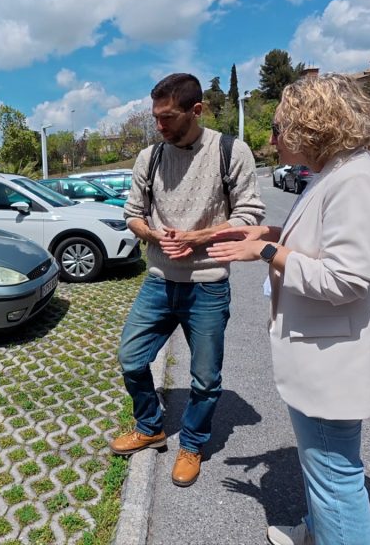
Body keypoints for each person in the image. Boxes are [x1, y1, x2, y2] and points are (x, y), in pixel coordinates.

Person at [207, 74, 370, 545]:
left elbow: (345, 279)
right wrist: (269, 234)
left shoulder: (356, 181)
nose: (272, 140)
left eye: (277, 128)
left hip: (334, 365)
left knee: (336, 482)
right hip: (326, 357)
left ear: (311, 125)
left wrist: (266, 252)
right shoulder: (338, 174)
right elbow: (322, 240)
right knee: (325, 475)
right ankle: (318, 531)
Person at [109, 73, 265, 488]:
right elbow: (132, 214)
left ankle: (192, 444)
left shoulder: (231, 151)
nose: (159, 125)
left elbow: (250, 215)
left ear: (196, 111)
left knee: (205, 378)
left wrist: (197, 238)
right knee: (131, 358)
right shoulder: (150, 157)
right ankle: (150, 427)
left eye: (168, 117)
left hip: (208, 285)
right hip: (159, 281)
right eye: (155, 117)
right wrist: (152, 234)